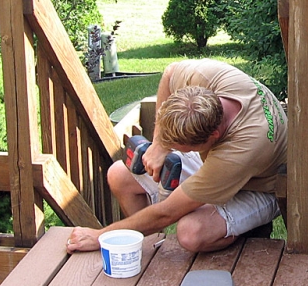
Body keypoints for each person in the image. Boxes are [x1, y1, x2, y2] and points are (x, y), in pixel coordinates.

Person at [66, 59, 286, 254]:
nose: (175, 149)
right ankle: (149, 245)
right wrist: (160, 144)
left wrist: (100, 237)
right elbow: (170, 73)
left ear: (213, 136)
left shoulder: (241, 150)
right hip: (219, 162)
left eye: (183, 148)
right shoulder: (206, 78)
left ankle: (246, 237)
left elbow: (166, 213)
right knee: (118, 175)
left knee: (191, 232)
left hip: (264, 187)